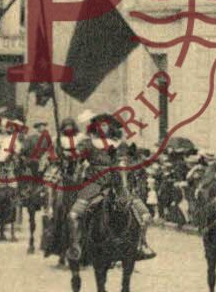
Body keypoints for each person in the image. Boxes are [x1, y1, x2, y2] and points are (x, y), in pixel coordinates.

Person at [66, 112, 157, 263]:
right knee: (73, 216)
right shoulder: (88, 143)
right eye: (100, 125)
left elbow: (131, 161)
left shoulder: (120, 144)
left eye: (106, 124)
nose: (103, 127)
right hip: (94, 185)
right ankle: (77, 246)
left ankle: (141, 244)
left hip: (119, 184)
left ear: (112, 127)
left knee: (145, 216)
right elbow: (76, 158)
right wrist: (71, 156)